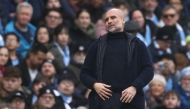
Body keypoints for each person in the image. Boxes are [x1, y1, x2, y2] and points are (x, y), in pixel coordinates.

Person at [80, 8, 154, 109]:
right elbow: (84, 73)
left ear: (123, 20)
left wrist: (134, 87)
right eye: (106, 19)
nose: (109, 21)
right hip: (102, 103)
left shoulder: (137, 44)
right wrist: (95, 84)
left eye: (113, 17)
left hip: (132, 102)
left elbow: (148, 70)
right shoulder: (96, 46)